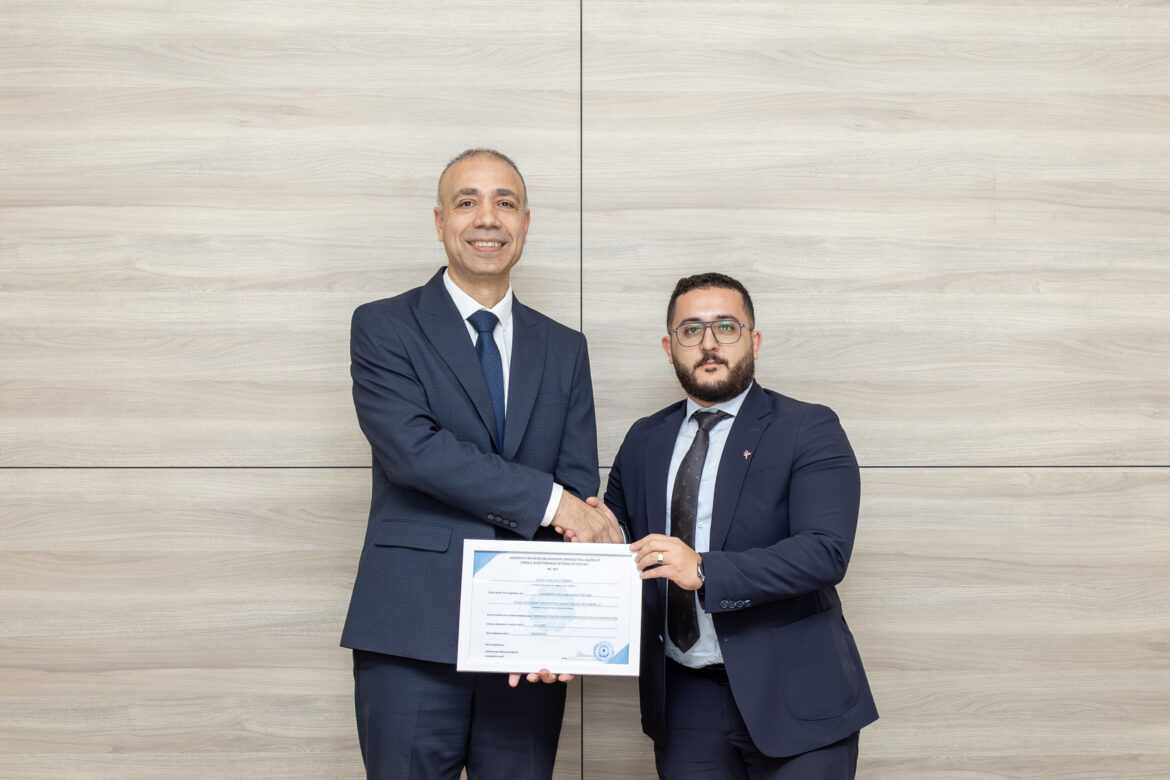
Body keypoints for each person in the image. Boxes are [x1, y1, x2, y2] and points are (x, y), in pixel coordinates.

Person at [341, 148, 621, 780]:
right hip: (412, 634)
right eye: (467, 202)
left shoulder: (565, 347)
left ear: (526, 222)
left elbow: (578, 487)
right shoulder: (384, 326)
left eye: (506, 203)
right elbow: (414, 453)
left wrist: (561, 630)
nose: (487, 218)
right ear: (440, 221)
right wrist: (553, 501)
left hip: (529, 646)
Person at [596, 272, 878, 779]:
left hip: (797, 697)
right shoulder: (644, 439)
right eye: (691, 330)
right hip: (684, 702)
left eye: (726, 327)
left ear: (755, 340)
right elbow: (613, 550)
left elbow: (825, 551)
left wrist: (704, 569)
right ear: (669, 347)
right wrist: (556, 640)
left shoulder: (808, 427)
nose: (709, 344)